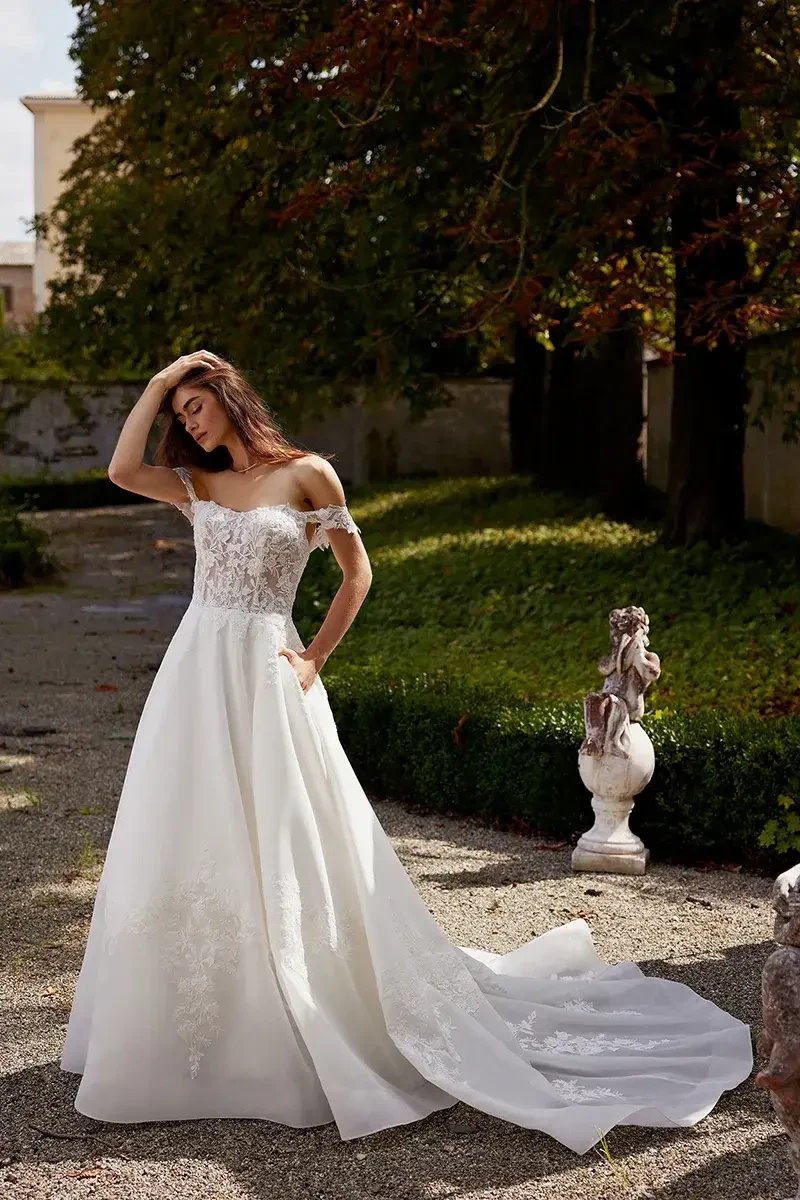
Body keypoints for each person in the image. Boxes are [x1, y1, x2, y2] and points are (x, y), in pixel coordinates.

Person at [61, 351, 753, 1152]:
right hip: (195, 672)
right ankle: (209, 1022)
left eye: (193, 406)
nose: (188, 422)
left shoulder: (308, 475)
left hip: (266, 668)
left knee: (288, 830)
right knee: (189, 825)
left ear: (226, 396)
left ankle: (304, 1008)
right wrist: (151, 385)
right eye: (178, 414)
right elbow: (119, 470)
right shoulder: (198, 485)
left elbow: (357, 574)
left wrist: (315, 656)